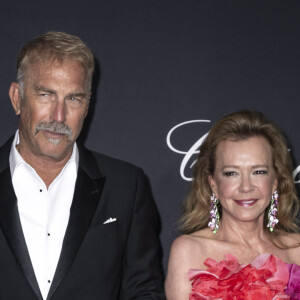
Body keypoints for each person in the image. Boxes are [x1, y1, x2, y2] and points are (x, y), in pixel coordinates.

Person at [0, 31, 165, 300]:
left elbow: (143, 291)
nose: (58, 116)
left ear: (87, 106)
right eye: (45, 94)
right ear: (17, 98)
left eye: (73, 99)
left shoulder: (125, 186)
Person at [165, 110, 300, 299]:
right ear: (213, 184)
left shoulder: (296, 249)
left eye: (258, 172)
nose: (246, 187)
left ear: (275, 181)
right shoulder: (189, 250)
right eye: (231, 173)